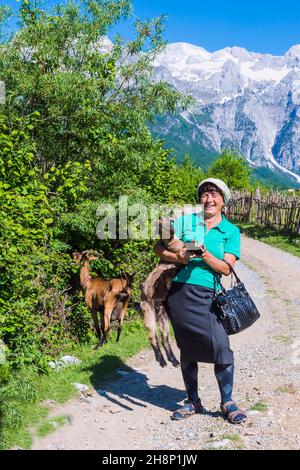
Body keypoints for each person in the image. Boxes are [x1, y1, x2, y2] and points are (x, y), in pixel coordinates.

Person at [154, 178, 247, 424]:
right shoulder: (185, 222)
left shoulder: (230, 231)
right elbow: (158, 248)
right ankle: (192, 400)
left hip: (208, 294)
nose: (209, 199)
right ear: (200, 199)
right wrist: (181, 257)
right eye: (205, 194)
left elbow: (226, 268)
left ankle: (227, 402)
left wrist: (204, 254)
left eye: (214, 195)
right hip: (180, 293)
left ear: (223, 201)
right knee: (188, 347)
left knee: (221, 345)